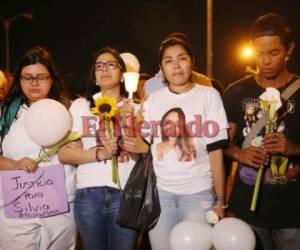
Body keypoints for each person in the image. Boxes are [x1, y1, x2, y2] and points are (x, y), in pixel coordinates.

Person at [121, 35, 228, 250]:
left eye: (182, 58)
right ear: (161, 67)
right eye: (168, 60)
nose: (176, 66)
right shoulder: (153, 99)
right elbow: (143, 147)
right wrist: (128, 122)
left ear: (192, 62)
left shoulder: (209, 96)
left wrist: (220, 201)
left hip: (198, 194)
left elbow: (216, 153)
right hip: (161, 195)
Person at [223, 13, 300, 250]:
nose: (265, 61)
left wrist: (294, 148)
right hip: (248, 211)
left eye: (273, 53)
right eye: (258, 53)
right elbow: (221, 144)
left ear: (289, 49)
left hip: (293, 214)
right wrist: (240, 154)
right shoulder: (236, 92)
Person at [58, 47, 138, 250]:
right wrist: (98, 153)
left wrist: (128, 123)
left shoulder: (137, 108)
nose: (104, 69)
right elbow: (65, 154)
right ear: (94, 76)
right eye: (99, 66)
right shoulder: (80, 106)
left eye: (111, 65)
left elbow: (141, 154)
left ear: (122, 74)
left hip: (125, 194)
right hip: (88, 195)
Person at [0, 47, 76, 249]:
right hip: (16, 210)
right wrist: (14, 164)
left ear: (52, 79)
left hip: (61, 209)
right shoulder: (6, 112)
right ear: (19, 80)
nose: (34, 83)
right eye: (27, 77)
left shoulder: (70, 110)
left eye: (41, 77)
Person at [144, 32, 213, 96]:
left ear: (192, 60)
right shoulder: (151, 85)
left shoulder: (204, 83)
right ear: (160, 65)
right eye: (169, 61)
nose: (176, 65)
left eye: (182, 58)